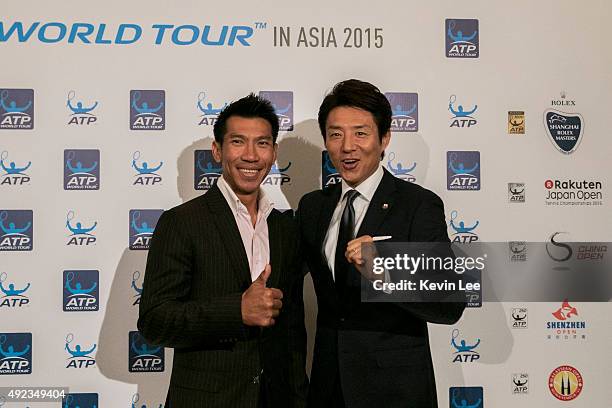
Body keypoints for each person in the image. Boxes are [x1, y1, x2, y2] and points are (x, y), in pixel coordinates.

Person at [296, 79, 465, 408]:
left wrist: (386, 270)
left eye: (360, 133)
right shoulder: (313, 207)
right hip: (327, 389)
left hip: (395, 391)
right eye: (335, 134)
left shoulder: (418, 205)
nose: (347, 146)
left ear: (384, 138)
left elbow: (450, 302)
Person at [138, 94, 308, 408]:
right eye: (238, 142)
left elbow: (292, 330)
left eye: (262, 143)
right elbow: (154, 321)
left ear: (274, 153)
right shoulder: (181, 222)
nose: (250, 155)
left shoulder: (286, 228)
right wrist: (236, 312)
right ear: (218, 150)